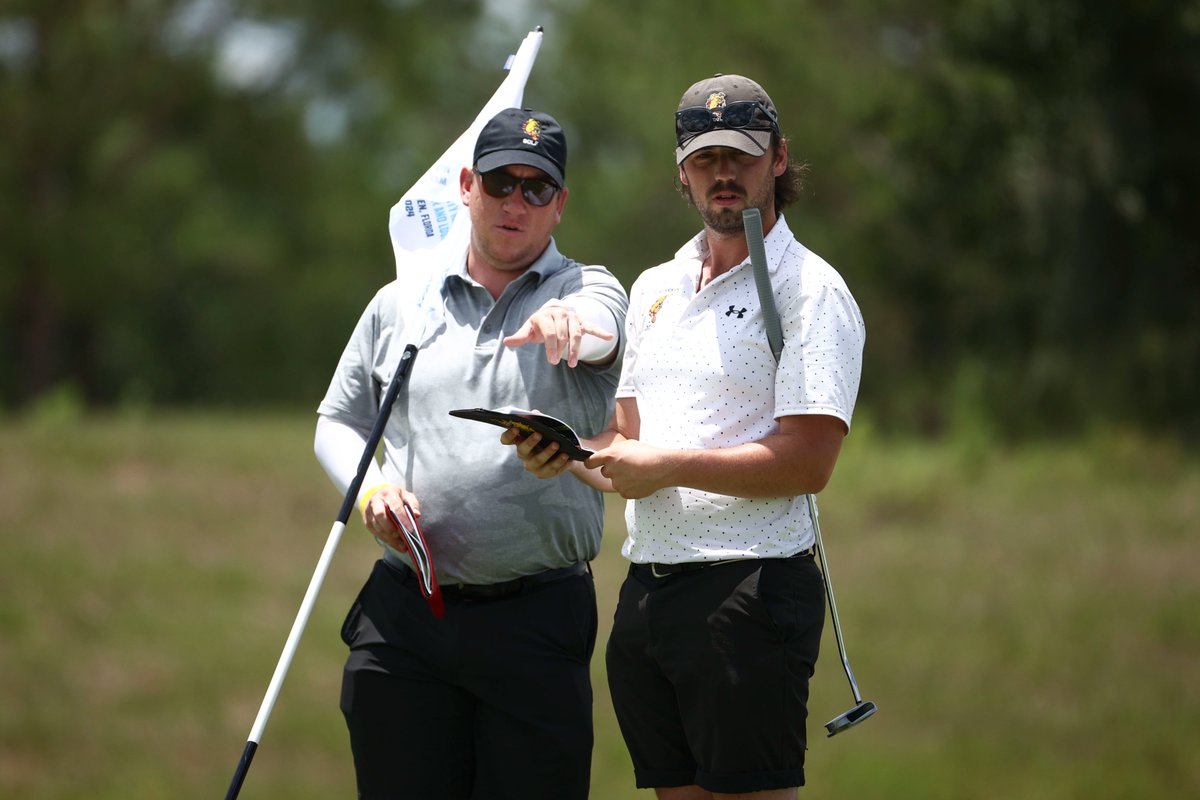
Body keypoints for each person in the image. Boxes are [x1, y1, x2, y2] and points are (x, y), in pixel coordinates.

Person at [506, 75, 866, 798]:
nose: (724, 174)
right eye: (705, 160)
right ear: (682, 171)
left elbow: (809, 461)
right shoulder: (655, 287)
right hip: (648, 595)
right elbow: (627, 443)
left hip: (750, 588)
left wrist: (665, 465)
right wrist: (569, 453)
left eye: (740, 156)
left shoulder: (809, 289)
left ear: (778, 159)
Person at [314, 107, 628, 800]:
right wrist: (370, 494)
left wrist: (568, 325)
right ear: (466, 185)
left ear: (560, 205)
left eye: (536, 189)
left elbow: (602, 331)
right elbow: (336, 422)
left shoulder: (589, 288)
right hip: (407, 612)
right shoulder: (401, 302)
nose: (516, 201)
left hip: (536, 618)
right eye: (499, 183)